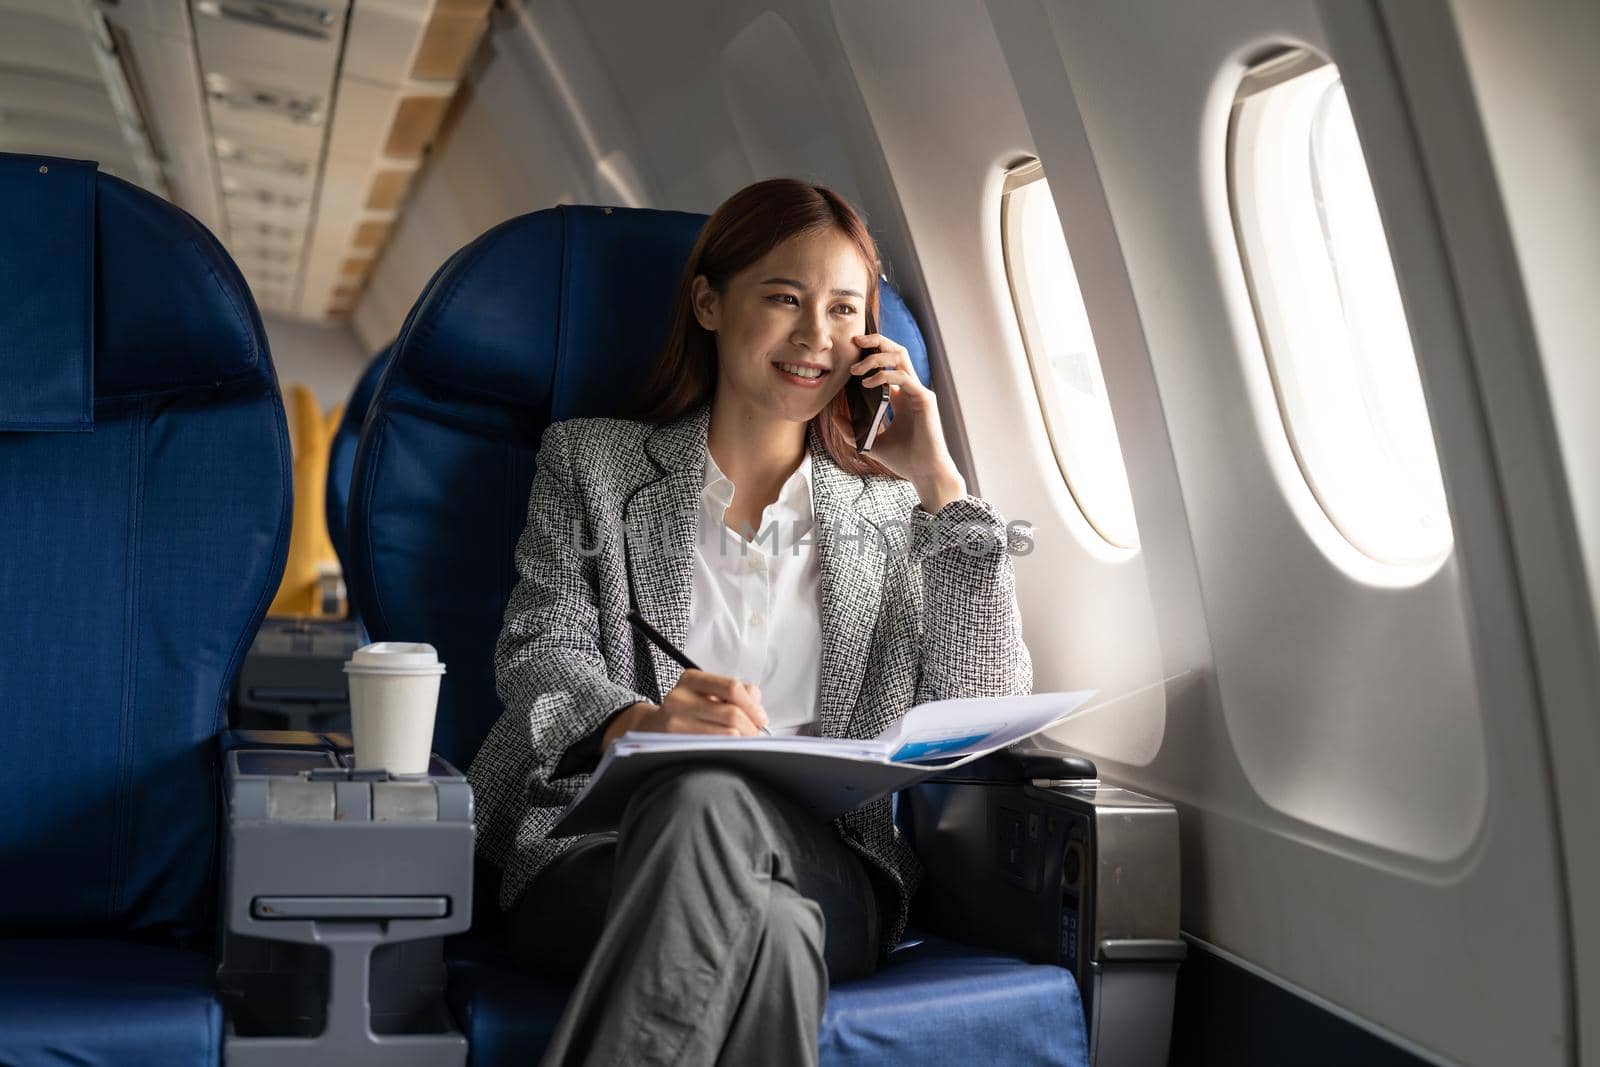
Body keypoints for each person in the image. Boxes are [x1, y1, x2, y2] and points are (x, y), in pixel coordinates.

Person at [467, 178, 1033, 1066]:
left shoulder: (891, 517)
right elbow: (541, 647)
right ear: (708, 301)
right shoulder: (593, 463)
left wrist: (942, 489)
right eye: (784, 299)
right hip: (598, 850)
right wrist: (640, 721)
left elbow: (981, 705)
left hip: (826, 863)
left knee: (723, 816)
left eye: (845, 310)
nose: (816, 336)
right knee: (764, 922)